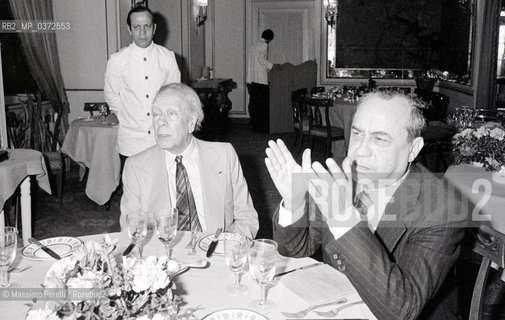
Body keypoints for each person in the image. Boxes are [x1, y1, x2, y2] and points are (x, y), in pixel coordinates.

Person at [265, 91, 465, 319]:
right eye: (357, 133)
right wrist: (294, 202)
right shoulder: (342, 175)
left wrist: (343, 216)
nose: (359, 150)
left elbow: (402, 310)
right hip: (344, 305)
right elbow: (294, 252)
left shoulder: (443, 208)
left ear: (413, 148)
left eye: (379, 139)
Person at [120, 83, 259, 239]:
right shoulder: (136, 167)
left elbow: (247, 219)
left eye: (171, 114)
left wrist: (225, 249)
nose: (161, 122)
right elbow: (131, 231)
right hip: (163, 255)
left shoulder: (224, 155)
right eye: (156, 114)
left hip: (217, 250)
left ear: (191, 122)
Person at [104, 5, 181, 162]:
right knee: (133, 185)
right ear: (129, 29)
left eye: (147, 26)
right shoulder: (117, 60)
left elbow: (175, 95)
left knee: (162, 184)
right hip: (130, 142)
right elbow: (112, 96)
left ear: (154, 28)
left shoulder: (167, 57)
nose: (142, 32)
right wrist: (129, 116)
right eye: (137, 27)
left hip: (161, 137)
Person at [246, 29, 276, 133]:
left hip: (251, 80)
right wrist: (272, 66)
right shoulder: (264, 45)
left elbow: (253, 62)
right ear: (269, 39)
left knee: (254, 104)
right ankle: (262, 128)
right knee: (262, 105)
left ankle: (254, 126)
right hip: (260, 81)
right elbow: (261, 60)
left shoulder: (254, 44)